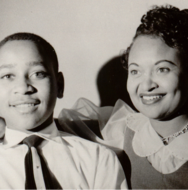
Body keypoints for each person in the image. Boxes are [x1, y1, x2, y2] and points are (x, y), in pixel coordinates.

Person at [59, 5, 188, 190]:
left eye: (162, 69)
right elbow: (57, 127)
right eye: (135, 71)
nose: (146, 85)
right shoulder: (125, 129)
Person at [0, 32, 127, 189]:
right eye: (7, 76)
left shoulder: (98, 159)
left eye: (38, 74)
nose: (23, 87)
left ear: (59, 85)